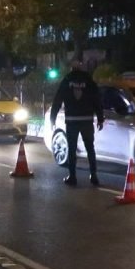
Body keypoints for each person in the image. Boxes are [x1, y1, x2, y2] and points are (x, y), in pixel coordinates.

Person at [49, 58, 104, 186]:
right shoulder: (88, 80)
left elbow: (57, 100)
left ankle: (72, 177)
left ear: (71, 68)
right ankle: (94, 175)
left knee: (72, 149)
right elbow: (96, 99)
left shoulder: (67, 79)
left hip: (72, 120)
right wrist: (100, 118)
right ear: (81, 67)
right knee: (90, 148)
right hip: (86, 120)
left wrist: (53, 119)